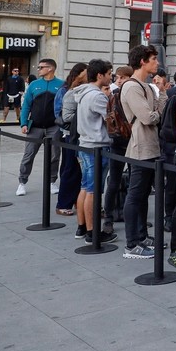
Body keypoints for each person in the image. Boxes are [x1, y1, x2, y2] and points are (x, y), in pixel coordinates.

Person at [121, 45, 168, 259]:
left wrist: (162, 91)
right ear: (142, 61)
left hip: (151, 146)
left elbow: (160, 109)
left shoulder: (148, 86)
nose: (157, 63)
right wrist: (155, 113)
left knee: (142, 197)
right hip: (140, 148)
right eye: (153, 59)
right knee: (135, 195)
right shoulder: (131, 87)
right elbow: (148, 118)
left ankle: (142, 236)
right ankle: (132, 244)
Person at [74, 59, 117, 244]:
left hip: (85, 143)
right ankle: (93, 233)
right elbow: (111, 120)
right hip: (96, 146)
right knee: (93, 190)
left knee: (85, 187)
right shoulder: (97, 96)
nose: (111, 77)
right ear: (100, 75)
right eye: (109, 74)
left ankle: (82, 227)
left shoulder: (83, 92)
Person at [17, 58, 64, 197]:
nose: (38, 70)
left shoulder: (61, 85)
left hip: (54, 126)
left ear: (50, 68)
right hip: (35, 126)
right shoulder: (34, 85)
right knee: (28, 154)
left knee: (54, 156)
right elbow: (26, 105)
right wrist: (24, 123)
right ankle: (22, 182)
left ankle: (51, 182)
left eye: (41, 67)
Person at [103, 66, 134, 232]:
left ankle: (131, 216)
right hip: (119, 142)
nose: (118, 81)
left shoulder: (130, 93)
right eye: (117, 78)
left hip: (129, 142)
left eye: (122, 78)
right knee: (114, 181)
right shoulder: (114, 96)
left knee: (133, 183)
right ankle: (108, 218)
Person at [55, 63, 88, 218]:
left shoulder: (85, 89)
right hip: (70, 134)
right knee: (70, 168)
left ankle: (76, 199)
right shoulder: (67, 91)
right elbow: (63, 115)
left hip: (81, 135)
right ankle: (63, 203)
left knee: (79, 170)